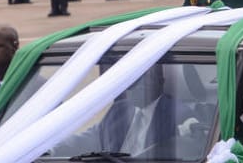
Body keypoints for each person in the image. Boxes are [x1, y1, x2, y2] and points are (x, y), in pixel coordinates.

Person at [50, 65, 195, 157]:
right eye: (131, 81)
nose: (134, 87)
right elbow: (92, 136)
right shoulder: (119, 109)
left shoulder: (177, 113)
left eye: (142, 80)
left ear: (160, 81)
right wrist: (51, 150)